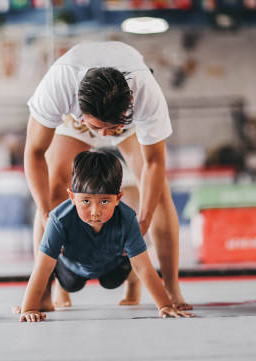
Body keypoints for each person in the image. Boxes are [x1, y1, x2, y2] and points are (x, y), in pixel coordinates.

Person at [24, 41, 191, 311]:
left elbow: (154, 162)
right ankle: (47, 290)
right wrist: (45, 213)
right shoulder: (58, 85)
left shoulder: (146, 93)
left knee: (159, 195)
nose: (103, 137)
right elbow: (33, 153)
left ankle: (171, 287)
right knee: (54, 190)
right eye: (98, 128)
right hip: (75, 122)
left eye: (110, 129)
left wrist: (145, 218)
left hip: (127, 122)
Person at [17, 151, 194, 322]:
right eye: (85, 201)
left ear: (118, 198)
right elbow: (43, 267)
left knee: (116, 278)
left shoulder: (126, 219)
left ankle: (133, 284)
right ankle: (62, 290)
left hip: (113, 264)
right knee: (70, 283)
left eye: (104, 202)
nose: (95, 212)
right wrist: (29, 308)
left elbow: (144, 267)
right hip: (73, 266)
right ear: (72, 197)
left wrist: (164, 305)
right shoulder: (59, 219)